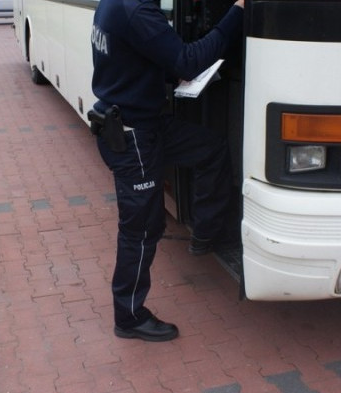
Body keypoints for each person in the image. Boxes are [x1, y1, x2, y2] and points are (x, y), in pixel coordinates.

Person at [90, 0, 244, 342]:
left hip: (148, 125)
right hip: (133, 136)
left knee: (210, 148)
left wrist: (170, 73)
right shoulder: (136, 9)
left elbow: (131, 57)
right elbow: (187, 60)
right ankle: (129, 316)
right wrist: (237, 12)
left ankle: (206, 232)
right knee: (141, 229)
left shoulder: (115, 4)